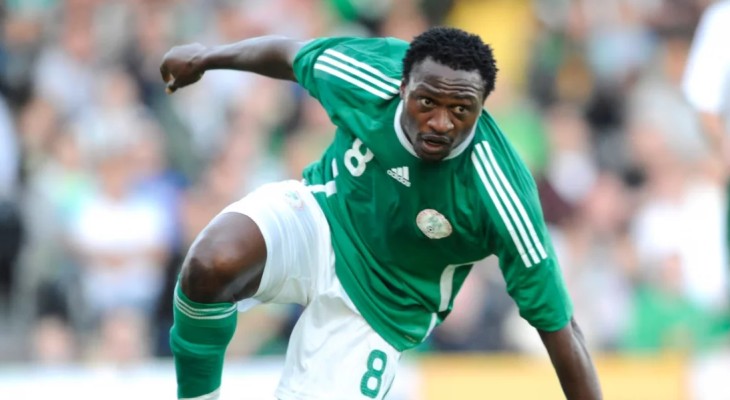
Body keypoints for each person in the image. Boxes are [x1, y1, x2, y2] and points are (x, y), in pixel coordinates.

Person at [160, 27, 602, 400]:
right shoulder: (366, 75)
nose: (441, 123)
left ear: (482, 106)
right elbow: (289, 55)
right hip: (322, 218)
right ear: (402, 87)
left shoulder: (500, 190)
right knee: (212, 261)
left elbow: (561, 330)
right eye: (427, 103)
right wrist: (205, 58)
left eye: (461, 110)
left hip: (384, 306)